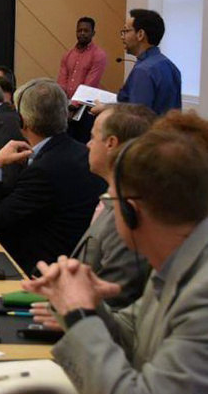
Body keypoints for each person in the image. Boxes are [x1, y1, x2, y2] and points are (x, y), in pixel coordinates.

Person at [22, 123, 208, 394]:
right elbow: (133, 335)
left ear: (130, 212)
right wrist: (90, 304)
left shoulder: (201, 295)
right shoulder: (175, 261)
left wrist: (80, 314)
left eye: (110, 200)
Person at [0, 79, 105, 274]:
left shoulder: (44, 169)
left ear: (22, 121)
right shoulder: (80, 153)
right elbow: (32, 205)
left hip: (34, 272)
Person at [70, 103, 155, 309]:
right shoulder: (111, 199)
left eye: (92, 137)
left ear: (111, 143)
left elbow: (115, 298)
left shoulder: (129, 213)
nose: (88, 145)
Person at [116, 9, 182, 114]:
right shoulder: (171, 66)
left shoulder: (143, 71)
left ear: (140, 34)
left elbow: (136, 118)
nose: (122, 36)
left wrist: (106, 111)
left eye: (126, 31)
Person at [57, 17, 107, 99]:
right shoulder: (68, 55)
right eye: (79, 31)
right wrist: (62, 100)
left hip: (86, 104)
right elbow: (62, 81)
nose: (82, 33)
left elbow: (90, 84)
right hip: (66, 103)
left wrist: (75, 103)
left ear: (93, 33)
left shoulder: (99, 55)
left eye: (86, 31)